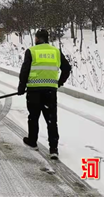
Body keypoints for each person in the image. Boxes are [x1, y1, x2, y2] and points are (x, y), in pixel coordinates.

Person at [17, 29, 71, 159]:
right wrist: (59, 83)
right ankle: (53, 149)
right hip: (50, 91)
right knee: (51, 120)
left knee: (33, 117)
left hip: (34, 91)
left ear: (37, 38)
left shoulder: (32, 51)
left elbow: (25, 70)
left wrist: (21, 87)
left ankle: (33, 141)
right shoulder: (56, 52)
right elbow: (67, 68)